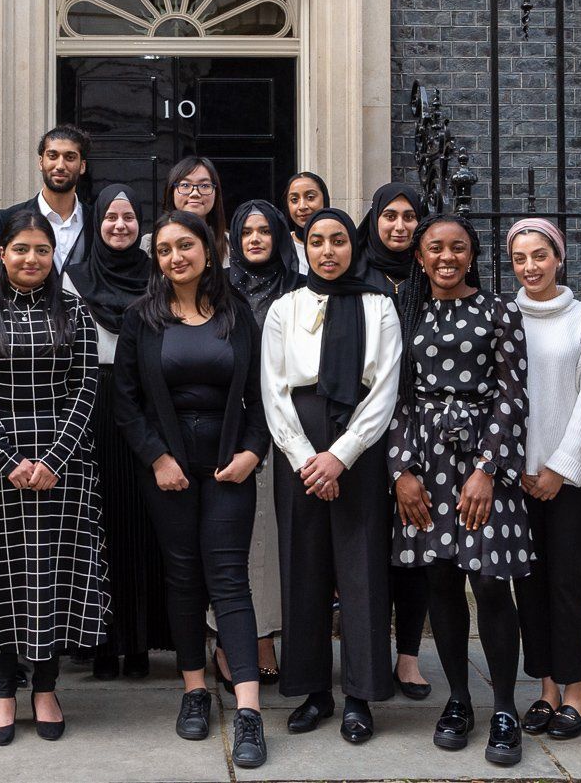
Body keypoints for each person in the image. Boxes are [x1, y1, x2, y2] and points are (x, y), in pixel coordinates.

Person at [113, 210, 271, 769]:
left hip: (232, 468)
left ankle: (249, 709)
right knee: (182, 577)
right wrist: (157, 458)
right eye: (164, 250)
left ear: (208, 248)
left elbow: (262, 394)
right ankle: (194, 690)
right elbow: (126, 402)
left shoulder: (239, 314)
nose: (176, 256)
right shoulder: (142, 318)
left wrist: (253, 452)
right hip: (168, 473)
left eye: (186, 245)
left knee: (229, 578)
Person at [0, 212, 107, 746]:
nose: (31, 259)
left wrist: (54, 458)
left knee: (51, 579)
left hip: (64, 466)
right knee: (0, 577)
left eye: (41, 250)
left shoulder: (75, 313)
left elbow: (86, 389)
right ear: (2, 253)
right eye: (20, 250)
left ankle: (46, 687)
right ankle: (1, 690)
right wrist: (9, 460)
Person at [389, 213, 530, 766]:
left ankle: (502, 708)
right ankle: (459, 701)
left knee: (491, 584)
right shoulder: (408, 313)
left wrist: (487, 469)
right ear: (420, 257)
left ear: (472, 256)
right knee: (440, 583)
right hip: (424, 466)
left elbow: (513, 395)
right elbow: (395, 399)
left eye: (457, 249)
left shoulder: (500, 311)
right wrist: (401, 472)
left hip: (481, 467)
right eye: (434, 249)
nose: (446, 258)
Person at [260, 208, 401, 745]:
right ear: (303, 246)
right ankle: (314, 689)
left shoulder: (379, 305)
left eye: (338, 240)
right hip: (299, 436)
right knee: (304, 563)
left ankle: (360, 695)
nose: (328, 251)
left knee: (362, 566)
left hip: (358, 441)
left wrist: (339, 455)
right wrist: (304, 458)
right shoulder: (284, 307)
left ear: (352, 245)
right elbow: (273, 391)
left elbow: (385, 387)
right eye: (317, 241)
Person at [504, 217, 581, 742]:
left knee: (568, 584)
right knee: (530, 585)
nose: (530, 267)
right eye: (520, 258)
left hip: (569, 476)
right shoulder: (503, 317)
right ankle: (545, 688)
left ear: (559, 257)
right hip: (517, 476)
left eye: (539, 255)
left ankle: (576, 694)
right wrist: (518, 464)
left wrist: (559, 468)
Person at [63, 185, 170, 680]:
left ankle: (141, 643)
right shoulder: (75, 277)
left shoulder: (159, 275)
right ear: (97, 223)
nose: (121, 226)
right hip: (91, 405)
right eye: (111, 218)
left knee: (144, 525)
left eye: (129, 217)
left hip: (146, 404)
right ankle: (101, 643)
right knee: (97, 526)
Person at [357, 181, 434, 700]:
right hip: (364, 426)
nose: (400, 226)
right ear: (375, 220)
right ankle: (365, 652)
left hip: (422, 429)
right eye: (391, 216)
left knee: (415, 542)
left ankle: (407, 656)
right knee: (366, 547)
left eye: (410, 216)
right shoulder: (356, 272)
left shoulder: (435, 274)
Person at [223, 199, 303, 684]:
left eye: (264, 231)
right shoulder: (219, 289)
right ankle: (226, 641)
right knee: (232, 533)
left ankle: (265, 635)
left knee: (271, 533)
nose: (255, 239)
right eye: (246, 232)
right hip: (230, 422)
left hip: (287, 422)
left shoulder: (299, 289)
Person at [0, 125, 91, 270]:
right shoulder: (4, 220)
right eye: (53, 156)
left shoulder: (96, 220)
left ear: (82, 166)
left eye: (70, 157)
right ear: (41, 162)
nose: (60, 165)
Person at [164, 156, 229, 261]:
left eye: (204, 186)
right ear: (172, 192)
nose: (195, 193)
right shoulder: (150, 242)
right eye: (185, 185)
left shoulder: (232, 244)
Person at [280, 171, 329, 274]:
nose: (302, 206)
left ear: (324, 199)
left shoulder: (339, 245)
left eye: (310, 197)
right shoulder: (280, 247)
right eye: (294, 199)